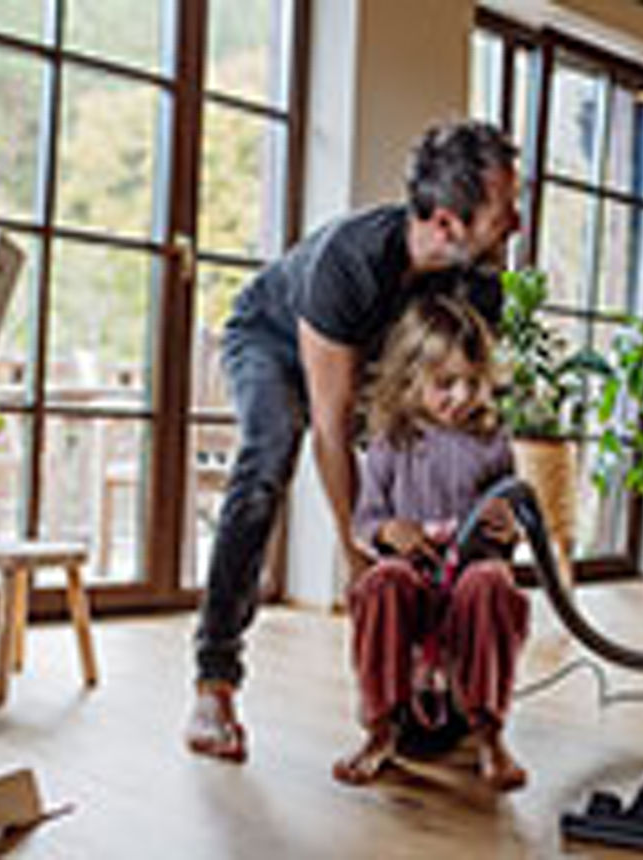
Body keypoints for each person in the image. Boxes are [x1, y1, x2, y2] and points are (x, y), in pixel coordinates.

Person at [185, 121, 521, 763]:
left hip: (374, 359)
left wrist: (490, 521)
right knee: (269, 454)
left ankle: (438, 681)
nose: (518, 224)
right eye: (504, 211)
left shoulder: (478, 283)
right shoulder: (351, 261)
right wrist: (360, 555)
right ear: (447, 222)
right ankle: (214, 682)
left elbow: (460, 418)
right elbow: (332, 427)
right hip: (274, 339)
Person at [331, 293, 528, 791]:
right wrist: (387, 530)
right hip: (413, 579)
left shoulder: (493, 444)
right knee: (382, 583)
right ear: (410, 379)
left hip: (468, 578)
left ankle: (489, 732)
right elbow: (364, 521)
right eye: (445, 384)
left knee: (492, 583)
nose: (461, 397)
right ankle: (380, 729)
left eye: (473, 383)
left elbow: (514, 519)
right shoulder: (391, 442)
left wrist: (510, 528)